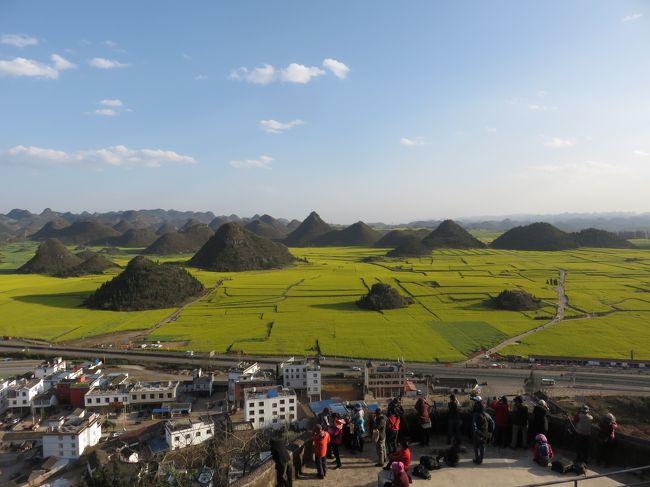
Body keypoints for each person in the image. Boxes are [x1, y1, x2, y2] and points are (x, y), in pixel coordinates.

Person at [471, 396, 494, 464]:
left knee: (476, 446)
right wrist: (490, 432)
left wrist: (475, 432)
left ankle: (477, 459)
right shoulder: (486, 414)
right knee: (482, 446)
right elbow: (492, 422)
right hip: (485, 433)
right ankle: (481, 459)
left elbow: (473, 424)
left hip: (478, 433)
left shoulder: (475, 414)